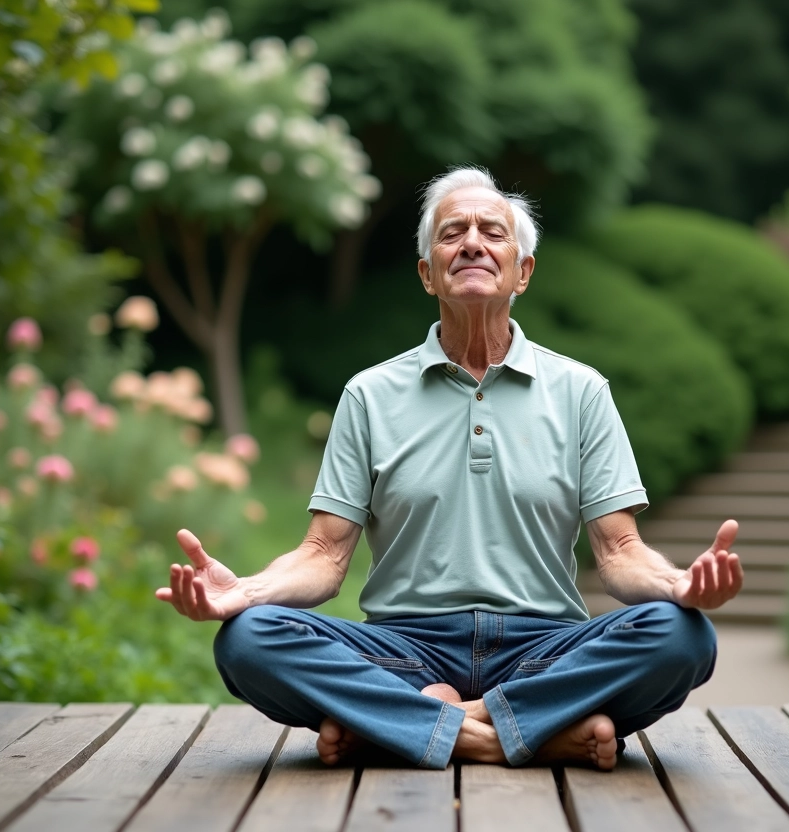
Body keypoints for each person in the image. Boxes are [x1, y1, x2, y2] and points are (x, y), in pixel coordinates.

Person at [156, 166, 743, 771]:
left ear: (523, 272)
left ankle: (406, 725)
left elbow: (619, 551)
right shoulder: (370, 394)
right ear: (427, 273)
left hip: (544, 647)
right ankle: (529, 732)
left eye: (493, 232)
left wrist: (678, 586)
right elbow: (324, 558)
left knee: (684, 636)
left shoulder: (581, 391)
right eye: (452, 232)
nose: (472, 243)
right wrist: (246, 593)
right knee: (249, 640)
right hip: (406, 650)